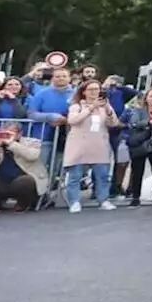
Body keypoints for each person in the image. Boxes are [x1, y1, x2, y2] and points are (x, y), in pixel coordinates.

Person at [62, 79, 121, 213]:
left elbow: (114, 123)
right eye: (91, 89)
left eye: (97, 89)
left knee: (103, 176)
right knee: (75, 176)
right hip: (79, 145)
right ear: (84, 92)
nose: (95, 92)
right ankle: (74, 202)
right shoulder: (76, 106)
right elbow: (73, 120)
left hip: (99, 144)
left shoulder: (105, 106)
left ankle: (103, 200)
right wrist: (90, 108)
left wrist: (108, 110)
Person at [0, 121, 47, 212]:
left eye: (9, 133)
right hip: (1, 181)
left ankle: (23, 203)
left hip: (21, 179)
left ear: (19, 134)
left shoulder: (32, 142)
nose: (5, 137)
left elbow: (32, 156)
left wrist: (12, 144)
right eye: (3, 133)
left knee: (26, 181)